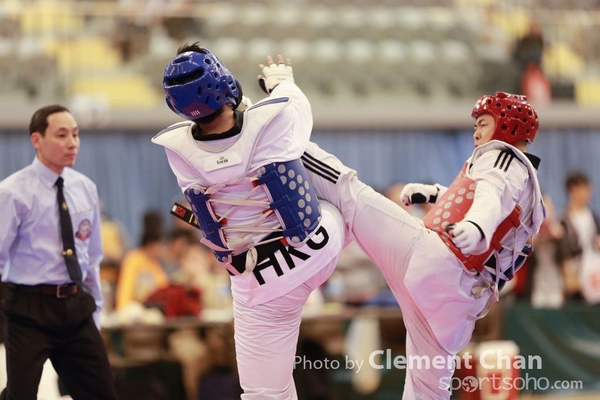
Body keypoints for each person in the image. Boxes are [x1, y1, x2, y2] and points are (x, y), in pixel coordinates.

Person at [301, 91, 545, 399]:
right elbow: (485, 201)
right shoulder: (524, 181)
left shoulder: (503, 158)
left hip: (436, 261)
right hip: (456, 300)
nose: (476, 132)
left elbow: (489, 198)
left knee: (350, 192)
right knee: (427, 391)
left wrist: (477, 227)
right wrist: (434, 194)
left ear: (508, 127)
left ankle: (286, 144)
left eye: (483, 123)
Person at [151, 43, 347, 399]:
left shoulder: (175, 150)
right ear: (224, 83)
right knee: (340, 189)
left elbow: (223, 151)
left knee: (263, 393)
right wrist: (282, 82)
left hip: (254, 281)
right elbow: (297, 109)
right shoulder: (272, 118)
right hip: (314, 246)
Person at [0, 105, 118, 399]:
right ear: (36, 140)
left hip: (75, 307)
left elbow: (91, 258)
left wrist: (96, 311)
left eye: (76, 135)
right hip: (28, 310)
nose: (72, 143)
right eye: (62, 135)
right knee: (20, 396)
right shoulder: (13, 192)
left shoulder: (85, 188)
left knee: (102, 394)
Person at [559, 171, 600, 300]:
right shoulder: (565, 220)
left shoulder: (593, 217)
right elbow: (564, 252)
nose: (588, 192)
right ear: (573, 190)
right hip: (577, 274)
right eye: (585, 188)